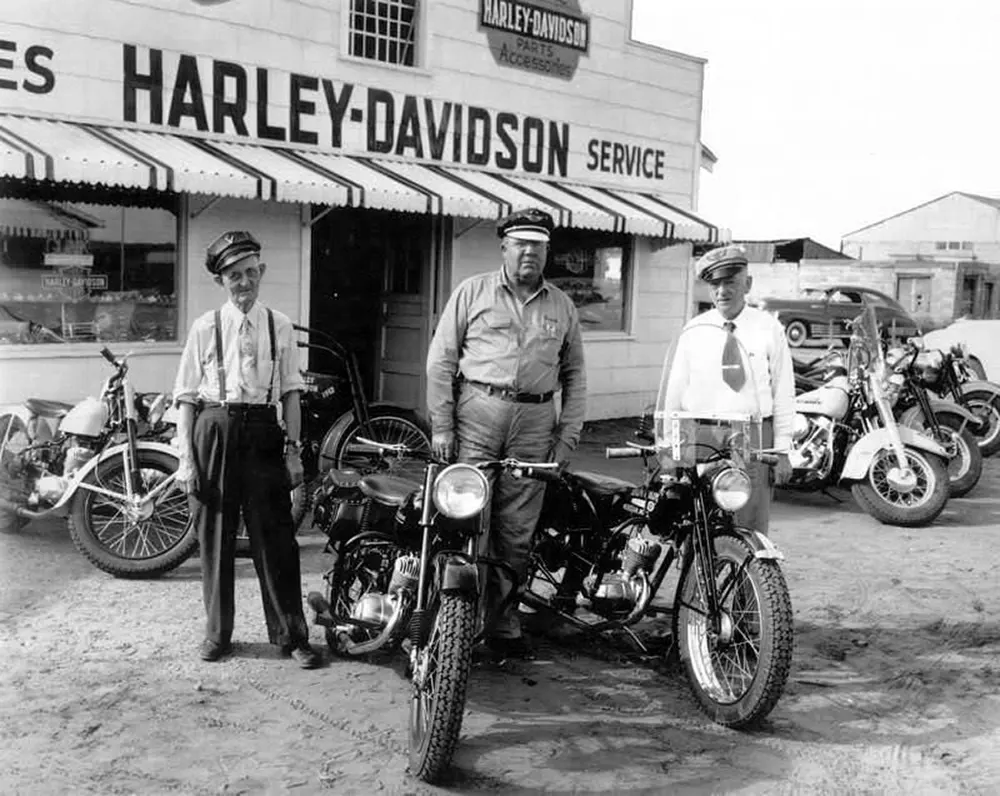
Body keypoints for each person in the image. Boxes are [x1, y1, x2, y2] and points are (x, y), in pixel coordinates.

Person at [425, 207, 587, 660]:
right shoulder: (472, 291)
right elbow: (440, 361)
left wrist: (566, 438)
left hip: (535, 425)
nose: (529, 252)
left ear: (547, 251)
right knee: (465, 516)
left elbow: (575, 377)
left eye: (537, 245)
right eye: (521, 243)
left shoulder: (562, 306)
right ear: (505, 247)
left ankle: (501, 620)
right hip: (477, 416)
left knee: (517, 531)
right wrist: (442, 424)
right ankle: (456, 621)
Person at [172, 230, 320, 668]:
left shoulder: (281, 325)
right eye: (234, 276)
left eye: (251, 273)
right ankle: (217, 635)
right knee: (214, 537)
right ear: (221, 280)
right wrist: (186, 461)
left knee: (276, 536)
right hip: (213, 427)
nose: (244, 283)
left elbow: (292, 393)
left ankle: (292, 636)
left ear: (262, 272)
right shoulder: (205, 327)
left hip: (261, 431)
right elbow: (185, 398)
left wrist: (293, 451)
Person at [663, 244, 794, 534]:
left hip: (753, 435)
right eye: (715, 284)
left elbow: (784, 391)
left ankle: (751, 580)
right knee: (698, 524)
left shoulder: (768, 328)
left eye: (730, 282)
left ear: (747, 284)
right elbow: (674, 393)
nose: (722, 291)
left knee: (749, 528)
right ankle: (698, 580)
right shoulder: (693, 331)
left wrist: (783, 450)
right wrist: (670, 451)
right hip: (701, 433)